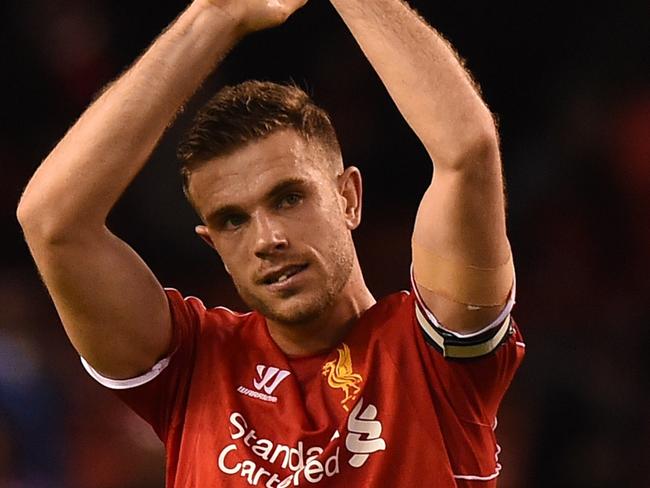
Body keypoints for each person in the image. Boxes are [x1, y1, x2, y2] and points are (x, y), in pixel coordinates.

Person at [17, 0, 524, 486]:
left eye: (288, 198)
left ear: (348, 197)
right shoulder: (192, 365)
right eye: (234, 220)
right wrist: (213, 15)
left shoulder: (435, 356)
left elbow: (467, 148)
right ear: (212, 244)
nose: (269, 239)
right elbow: (52, 223)